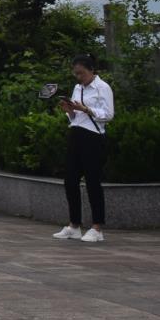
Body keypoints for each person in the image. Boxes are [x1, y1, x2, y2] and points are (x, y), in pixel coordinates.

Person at [54, 53, 113, 244]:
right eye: (76, 74)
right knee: (70, 180)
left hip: (93, 137)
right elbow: (75, 116)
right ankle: (74, 225)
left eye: (82, 73)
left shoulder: (102, 87)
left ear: (91, 70)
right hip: (76, 133)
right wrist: (70, 111)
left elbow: (108, 114)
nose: (79, 77)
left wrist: (87, 109)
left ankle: (97, 227)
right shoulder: (77, 88)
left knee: (92, 181)